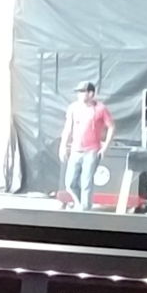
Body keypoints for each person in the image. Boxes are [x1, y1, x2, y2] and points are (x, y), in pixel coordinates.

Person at [62, 80, 112, 208]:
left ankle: (85, 210)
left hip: (92, 151)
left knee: (86, 183)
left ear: (91, 93)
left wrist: (105, 147)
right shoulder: (73, 107)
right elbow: (68, 128)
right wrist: (63, 146)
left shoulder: (101, 108)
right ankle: (81, 205)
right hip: (75, 150)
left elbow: (111, 127)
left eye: (82, 92)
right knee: (70, 183)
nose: (79, 95)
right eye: (78, 92)